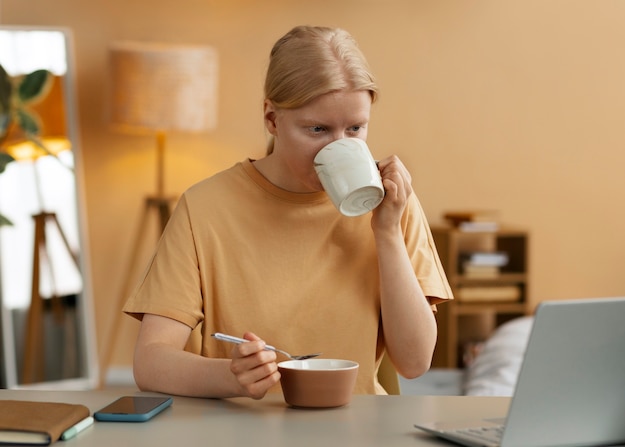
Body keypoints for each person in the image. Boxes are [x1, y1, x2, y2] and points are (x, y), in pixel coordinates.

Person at [123, 25, 452, 399]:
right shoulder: (205, 208)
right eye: (317, 129)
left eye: (355, 128)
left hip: (357, 430)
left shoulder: (393, 204)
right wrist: (232, 377)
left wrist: (387, 232)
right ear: (272, 119)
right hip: (240, 430)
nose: (338, 147)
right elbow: (150, 361)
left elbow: (414, 362)